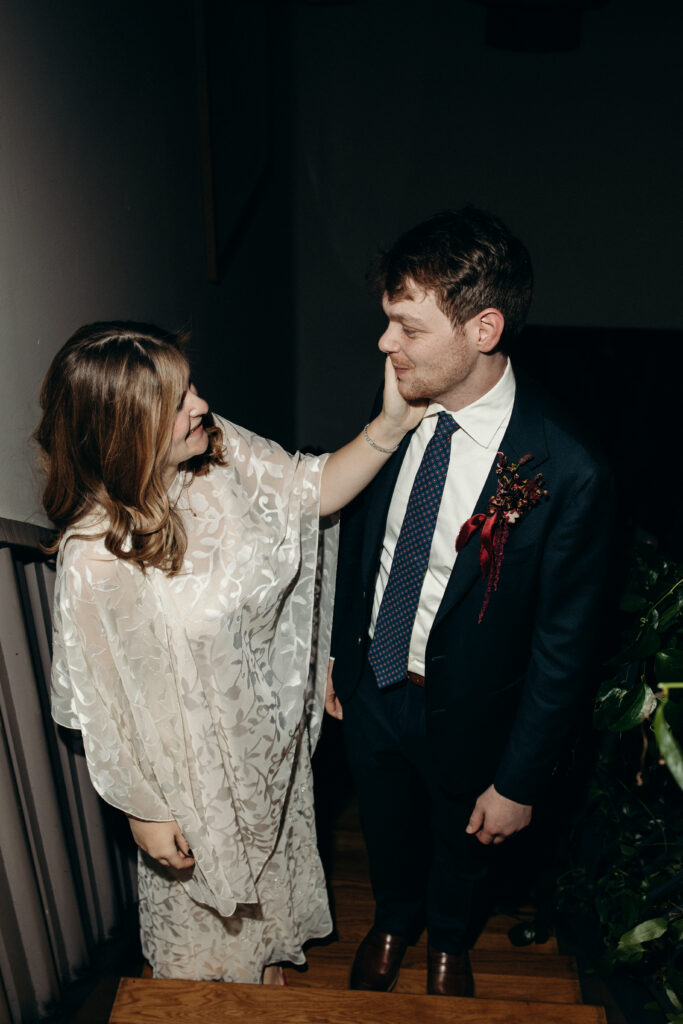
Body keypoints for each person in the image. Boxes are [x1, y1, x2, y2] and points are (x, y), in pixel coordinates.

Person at [35, 321, 424, 984]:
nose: (202, 406)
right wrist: (144, 810)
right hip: (191, 791)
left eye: (191, 388)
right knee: (202, 969)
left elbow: (311, 491)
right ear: (124, 428)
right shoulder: (93, 559)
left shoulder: (219, 452)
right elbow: (104, 706)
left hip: (265, 762)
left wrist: (389, 425)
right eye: (177, 401)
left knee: (262, 944)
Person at [326, 207, 612, 997]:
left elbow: (564, 647)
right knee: (383, 824)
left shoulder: (564, 471)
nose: (386, 345)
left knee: (465, 839)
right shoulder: (393, 415)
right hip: (373, 686)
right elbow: (362, 550)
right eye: (388, 323)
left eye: (407, 328)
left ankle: (448, 941)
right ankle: (391, 920)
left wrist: (519, 780)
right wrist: (336, 653)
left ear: (482, 328)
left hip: (473, 711)